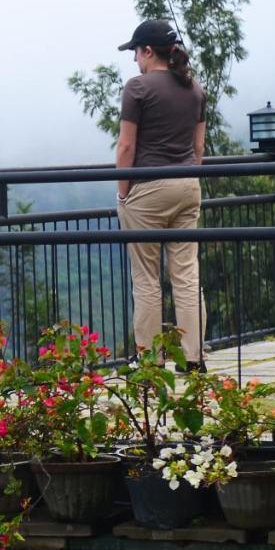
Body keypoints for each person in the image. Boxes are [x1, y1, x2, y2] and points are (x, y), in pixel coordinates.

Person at [114, 18, 207, 371]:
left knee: (147, 278)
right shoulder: (195, 89)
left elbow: (126, 146)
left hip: (148, 190)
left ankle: (150, 360)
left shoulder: (137, 88)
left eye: (136, 52)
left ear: (148, 51)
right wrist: (188, 177)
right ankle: (193, 357)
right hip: (188, 185)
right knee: (186, 274)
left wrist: (124, 194)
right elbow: (198, 148)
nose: (135, 60)